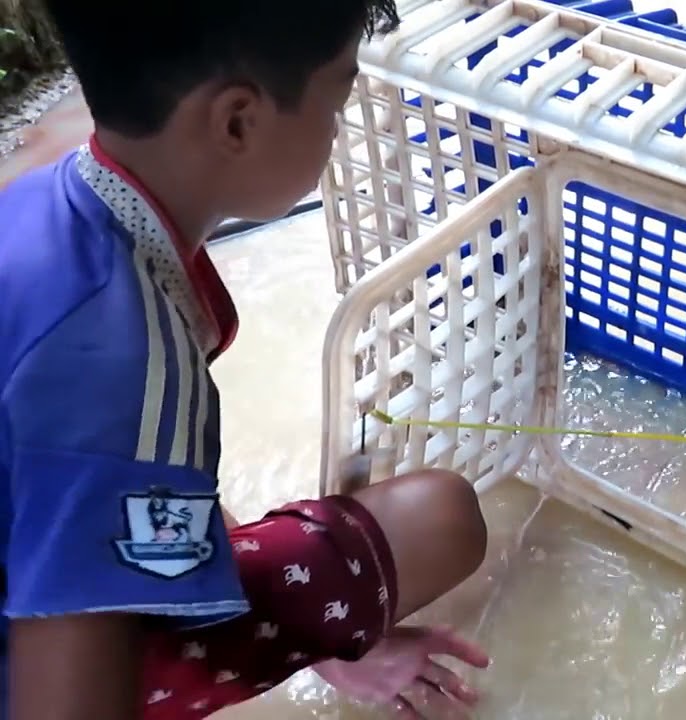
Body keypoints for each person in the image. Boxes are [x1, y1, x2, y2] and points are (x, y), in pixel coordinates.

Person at [0, 1, 493, 718]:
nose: (336, 126)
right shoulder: (121, 356)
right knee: (440, 516)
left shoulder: (47, 200)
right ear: (238, 121)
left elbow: (127, 492)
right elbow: (64, 682)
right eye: (336, 96)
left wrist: (323, 643)